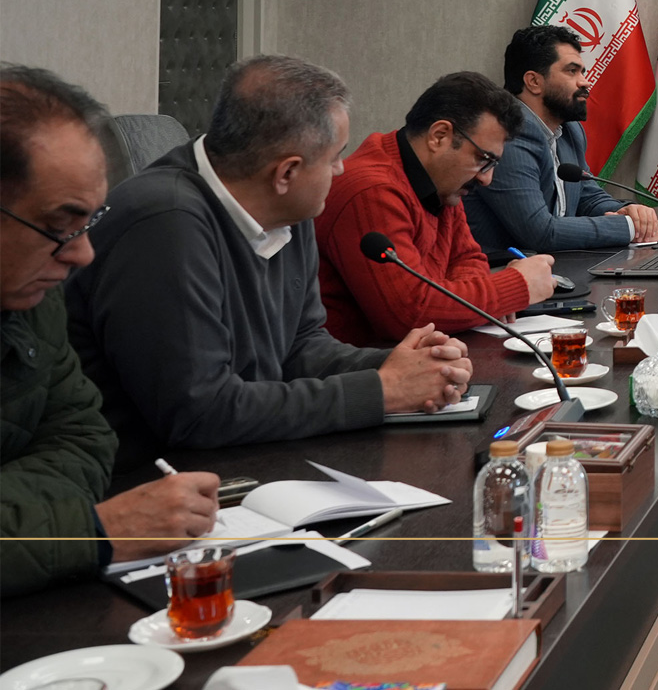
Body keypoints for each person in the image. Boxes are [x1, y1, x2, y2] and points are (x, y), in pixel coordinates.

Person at [68, 56, 473, 471]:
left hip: (240, 455)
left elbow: (299, 347)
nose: (341, 170)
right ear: (286, 173)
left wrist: (401, 368)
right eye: (335, 157)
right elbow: (199, 413)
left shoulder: (288, 209)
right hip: (146, 479)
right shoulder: (164, 223)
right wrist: (382, 390)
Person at [1, 65, 219, 595]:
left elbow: (84, 436)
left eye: (88, 224)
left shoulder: (34, 299)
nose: (83, 254)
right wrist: (91, 530)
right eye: (60, 226)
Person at [317, 71, 556, 346]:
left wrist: (473, 301)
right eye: (483, 159)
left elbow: (467, 258)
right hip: (361, 365)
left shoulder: (443, 184)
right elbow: (409, 314)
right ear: (439, 136)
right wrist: (515, 287)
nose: (486, 178)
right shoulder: (370, 191)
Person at [465, 25, 658, 262]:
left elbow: (588, 197)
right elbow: (539, 232)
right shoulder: (507, 133)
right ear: (534, 81)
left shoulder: (569, 130)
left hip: (558, 265)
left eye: (582, 72)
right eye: (572, 71)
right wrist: (628, 227)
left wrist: (629, 212)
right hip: (500, 270)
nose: (585, 82)